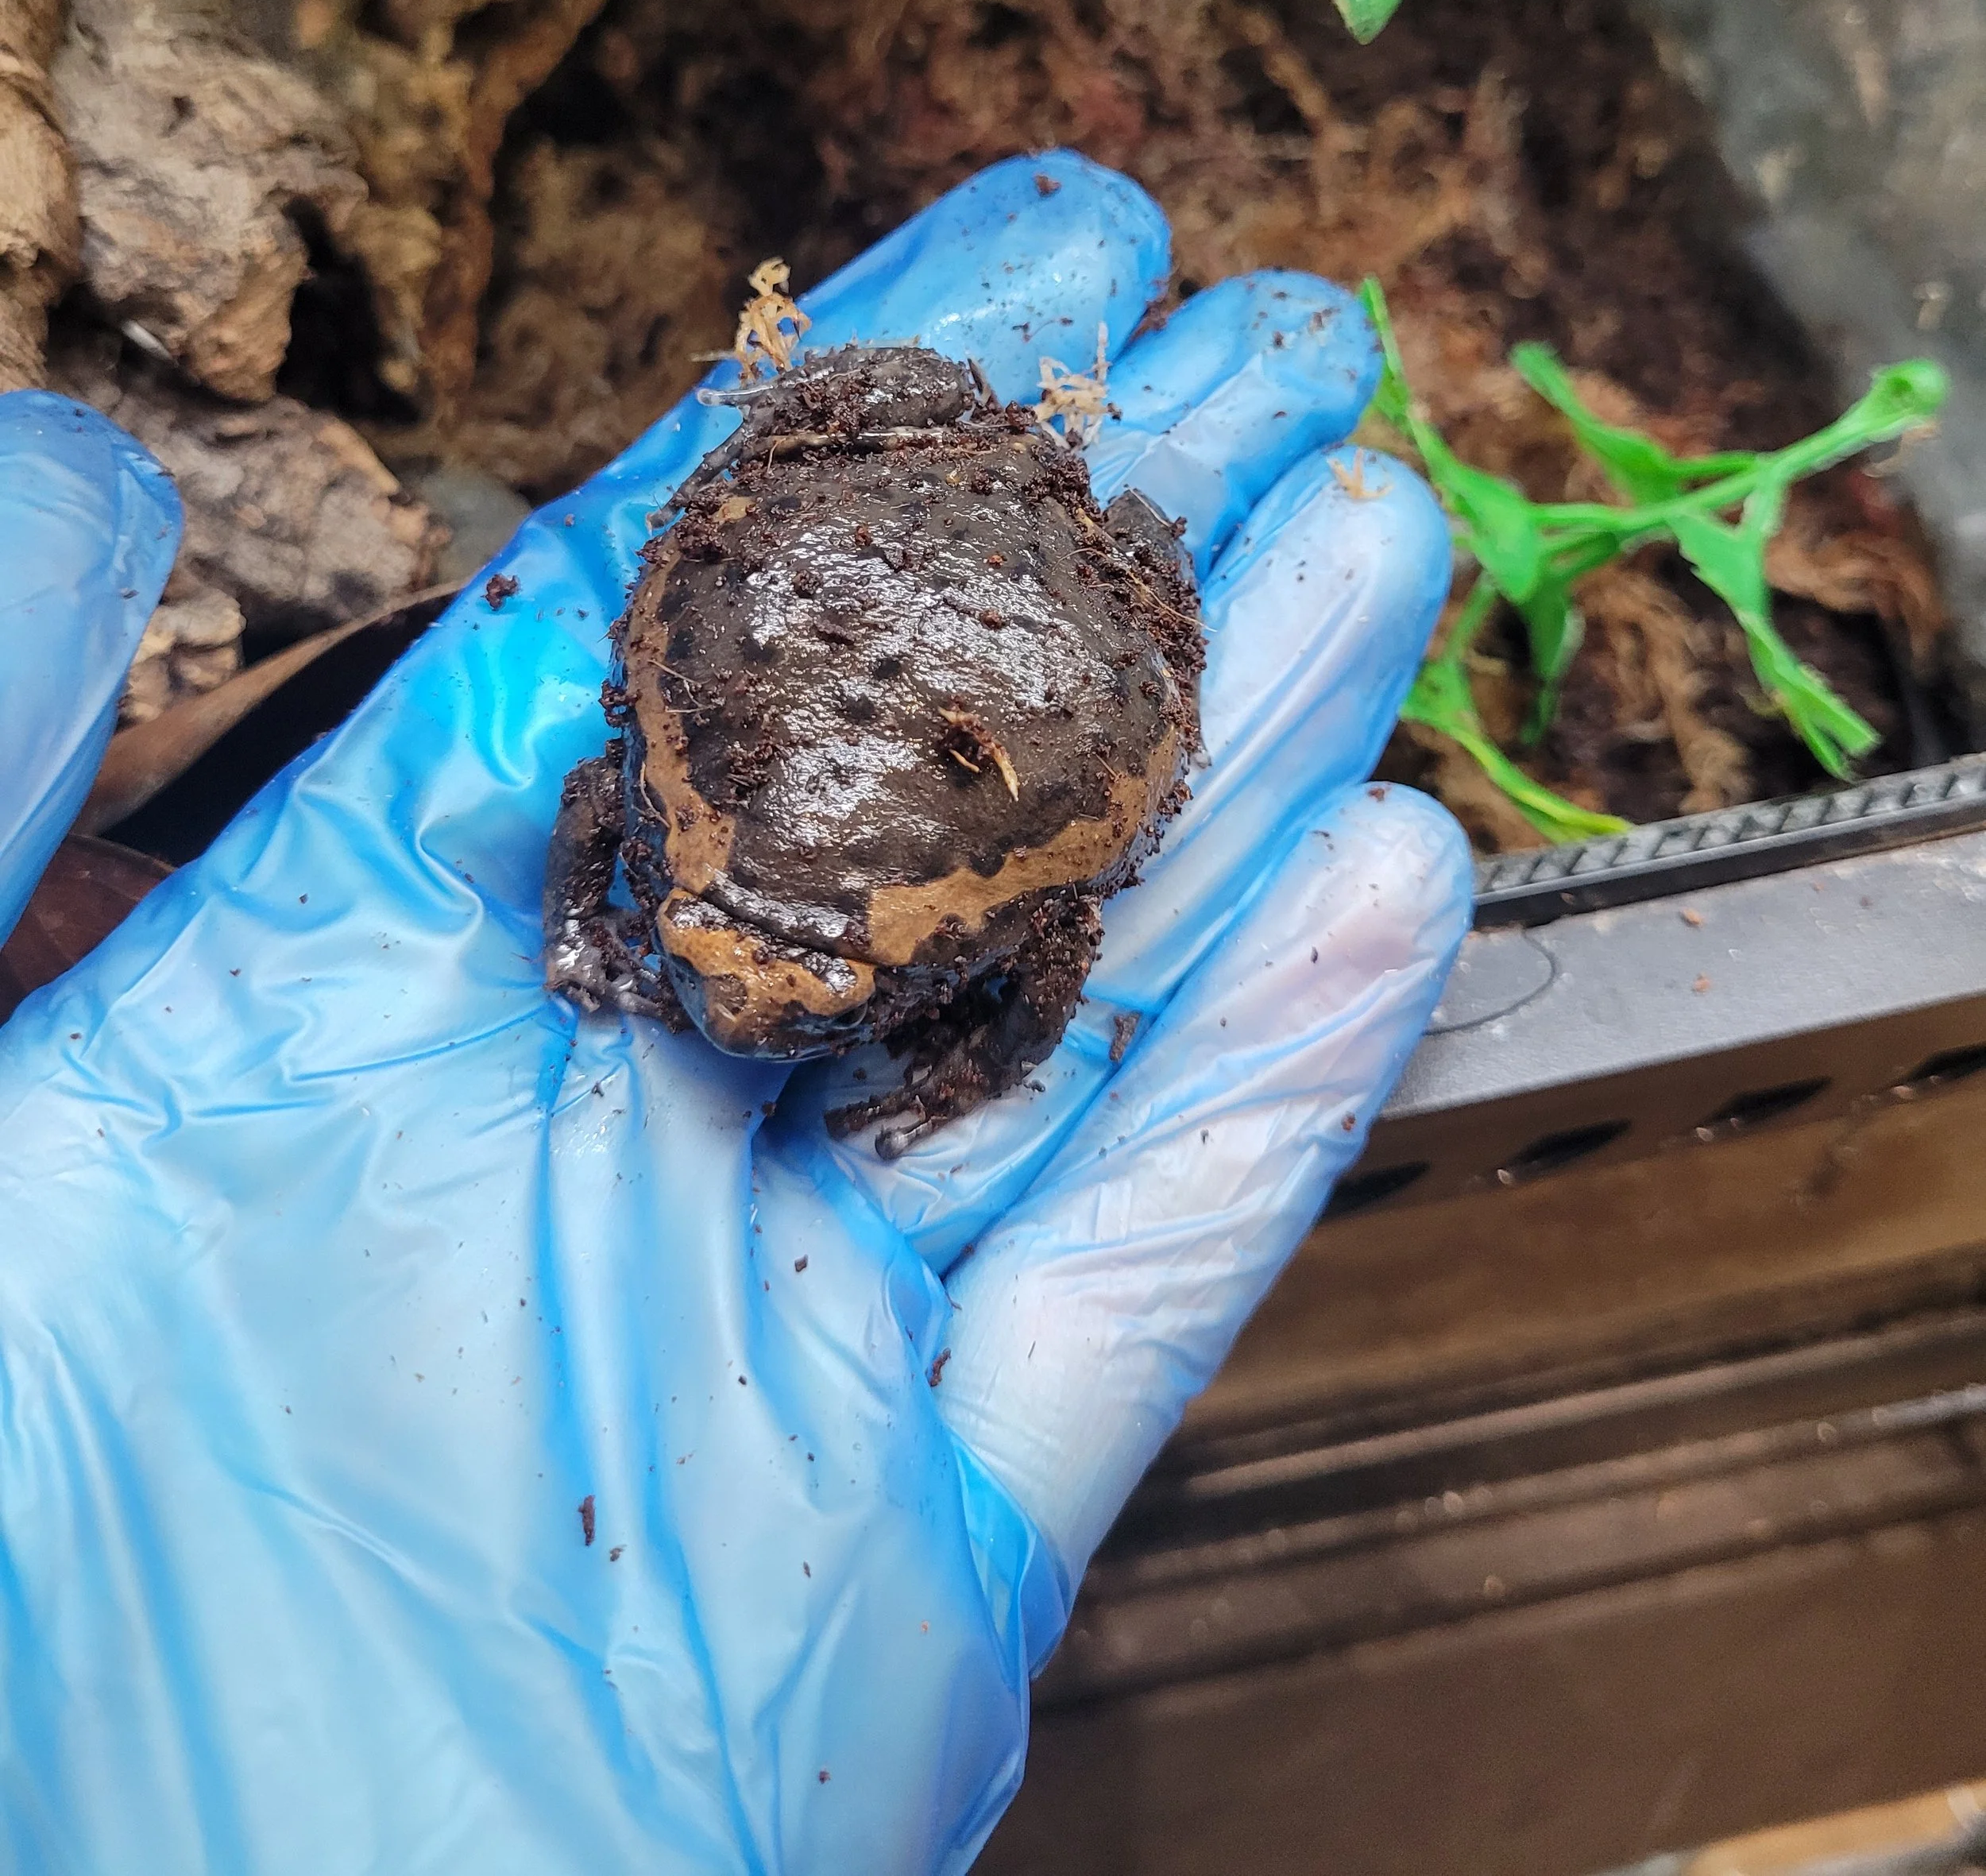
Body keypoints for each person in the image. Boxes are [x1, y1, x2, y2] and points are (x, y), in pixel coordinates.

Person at [0, 154, 1469, 1873]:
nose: (740, 1011)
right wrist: (619, 932)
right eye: (700, 949)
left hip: (1032, 639)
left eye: (820, 994)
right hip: (837, 597)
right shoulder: (656, 826)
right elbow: (595, 799)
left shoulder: (945, 912)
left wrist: (966, 1044)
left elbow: (1053, 940)